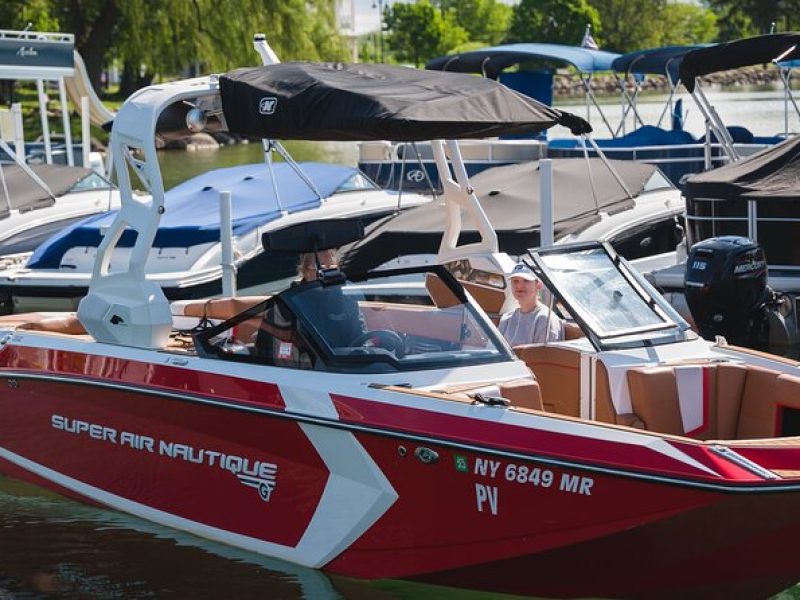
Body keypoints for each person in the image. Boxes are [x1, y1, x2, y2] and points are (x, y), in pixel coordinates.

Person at [498, 263, 563, 346]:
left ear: (538, 285)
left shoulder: (545, 319)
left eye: (526, 280)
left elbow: (547, 356)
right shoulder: (507, 318)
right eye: (515, 281)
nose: (519, 286)